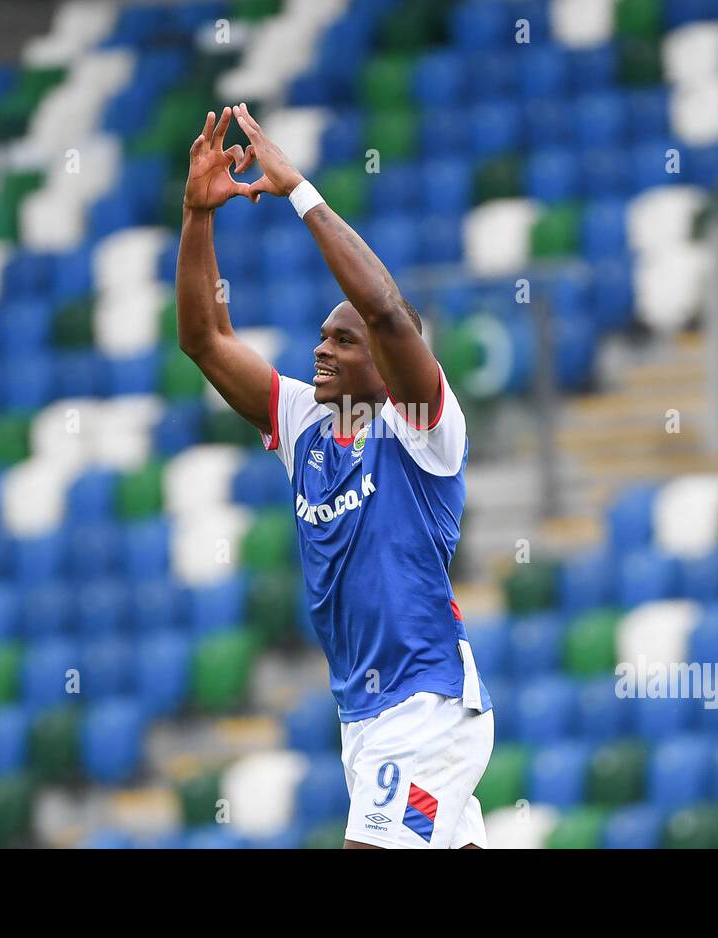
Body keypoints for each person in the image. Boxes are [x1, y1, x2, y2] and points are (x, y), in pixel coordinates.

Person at [176, 104, 493, 849]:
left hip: (425, 710)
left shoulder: (424, 431)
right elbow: (204, 337)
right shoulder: (306, 428)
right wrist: (197, 213)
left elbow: (385, 311)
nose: (321, 350)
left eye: (341, 341)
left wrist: (299, 193)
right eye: (321, 335)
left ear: (385, 361)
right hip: (364, 719)